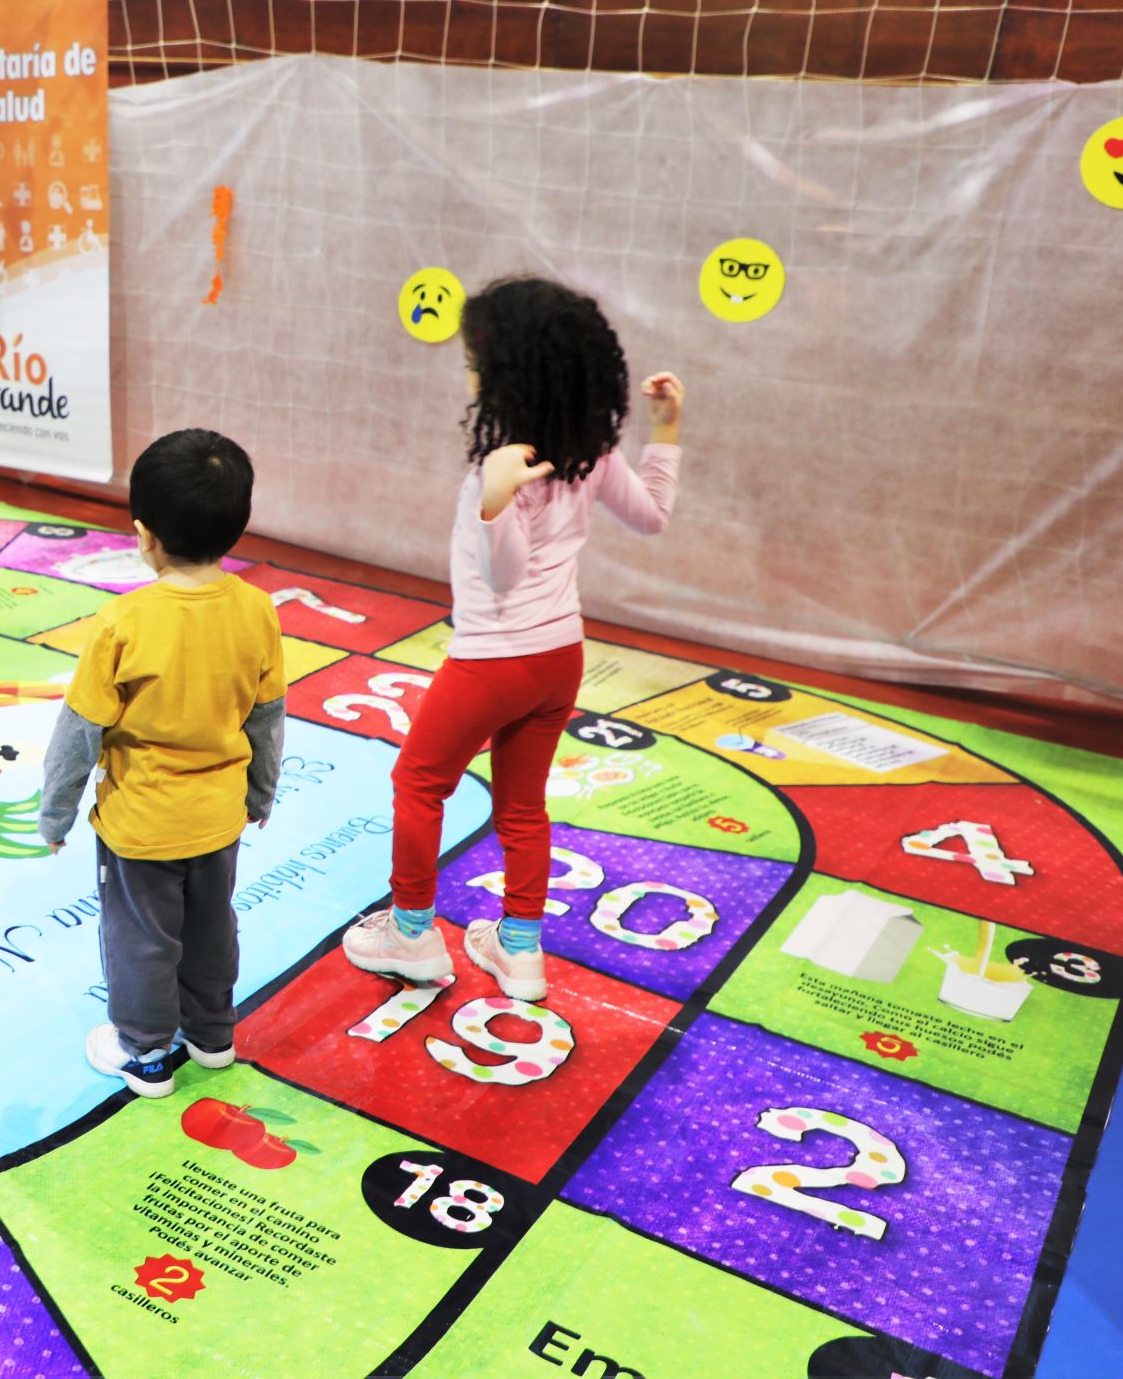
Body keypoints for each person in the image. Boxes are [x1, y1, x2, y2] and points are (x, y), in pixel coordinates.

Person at [343, 277, 685, 1001]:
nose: (469, 374)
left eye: (476, 362)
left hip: (494, 661)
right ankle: (519, 951)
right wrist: (666, 432)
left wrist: (497, 499)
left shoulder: (500, 468)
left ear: (509, 375)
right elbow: (652, 514)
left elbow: (502, 575)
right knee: (522, 805)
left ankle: (410, 935)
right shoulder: (588, 448)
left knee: (416, 782)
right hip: (559, 659)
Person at [38, 430, 286, 1098]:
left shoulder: (123, 622)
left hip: (141, 826)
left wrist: (55, 811)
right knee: (211, 924)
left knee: (142, 939)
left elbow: (79, 732)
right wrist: (260, 794)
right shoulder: (258, 610)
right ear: (238, 525)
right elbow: (265, 719)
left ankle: (144, 1052)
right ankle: (212, 1034)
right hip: (219, 818)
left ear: (143, 535)